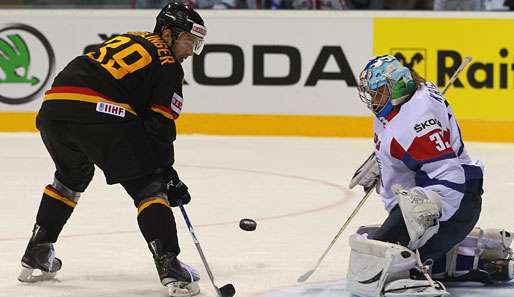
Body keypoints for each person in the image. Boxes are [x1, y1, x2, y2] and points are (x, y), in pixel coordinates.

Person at [17, 2, 207, 297]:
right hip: (101, 112)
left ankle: (38, 249)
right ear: (168, 33)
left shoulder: (130, 37)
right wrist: (166, 173)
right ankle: (169, 264)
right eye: (187, 42)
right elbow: (160, 129)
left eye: (195, 45)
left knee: (71, 176)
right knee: (149, 187)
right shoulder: (168, 66)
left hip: (53, 108)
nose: (189, 52)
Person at [346, 55, 513, 297]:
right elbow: (408, 143)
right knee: (370, 241)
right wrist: (384, 161)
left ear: (398, 86)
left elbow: (451, 176)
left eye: (379, 91)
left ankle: (419, 271)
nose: (373, 99)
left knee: (374, 262)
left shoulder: (415, 122)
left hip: (454, 203)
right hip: (445, 196)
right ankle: (462, 256)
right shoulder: (411, 96)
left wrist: (426, 215)